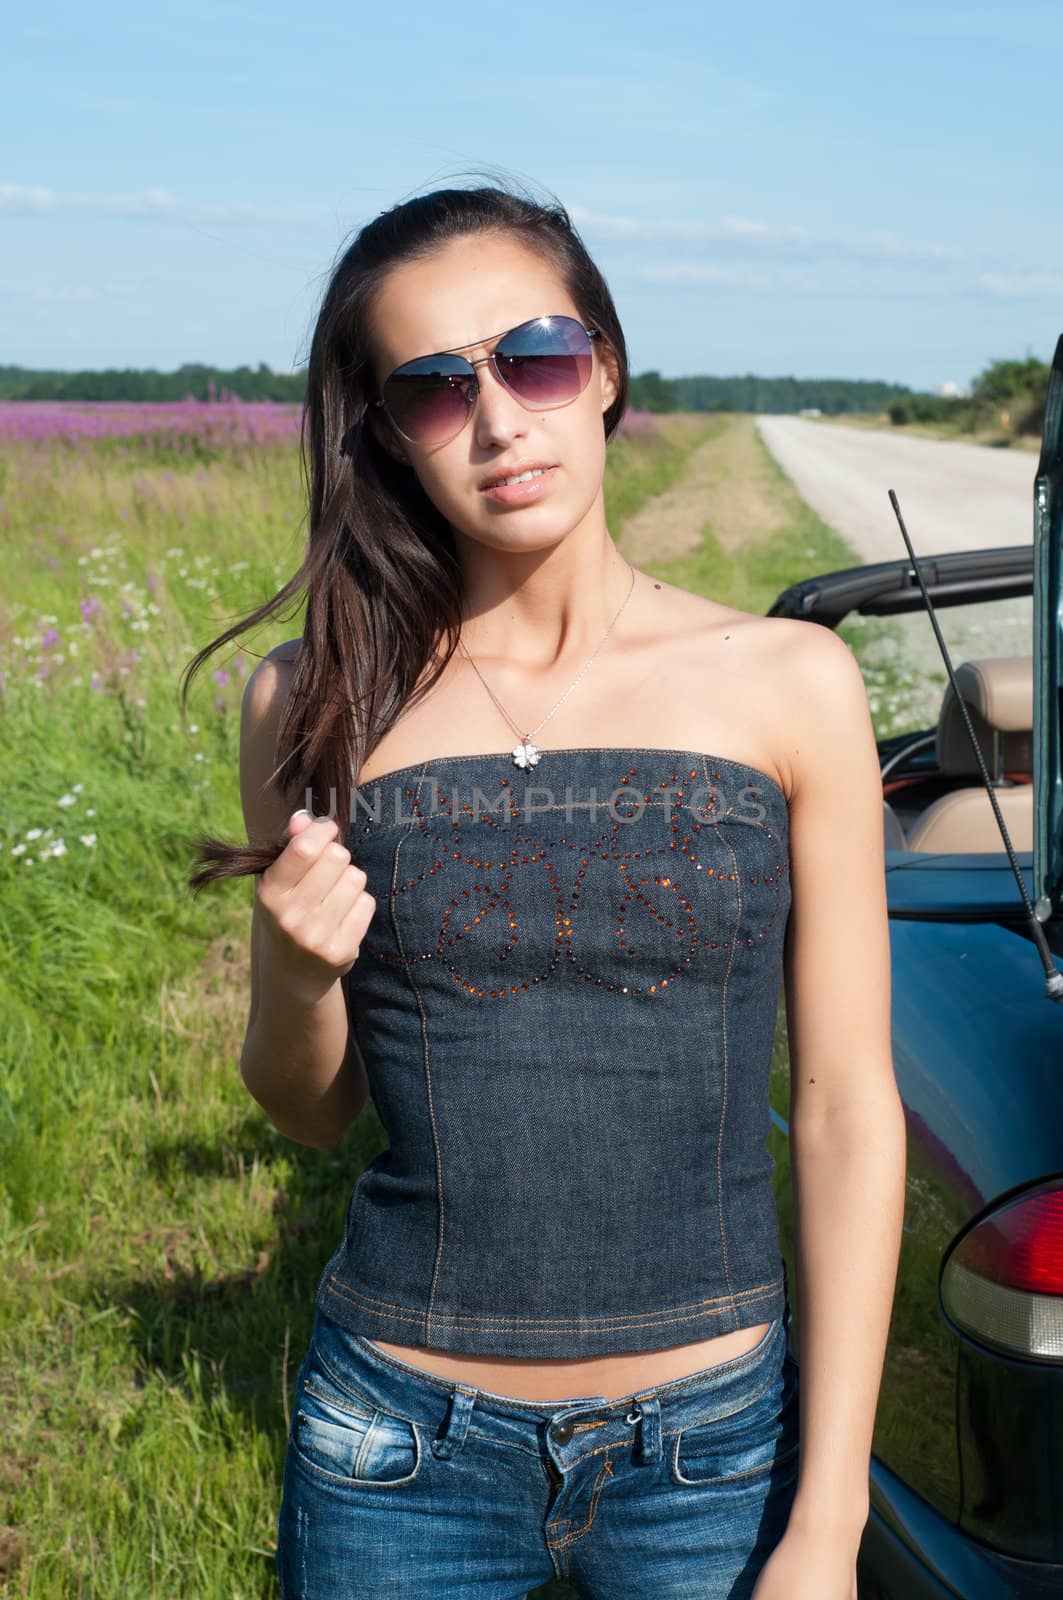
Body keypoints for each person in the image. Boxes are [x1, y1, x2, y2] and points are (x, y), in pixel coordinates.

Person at [185, 178, 905, 1600]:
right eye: (438, 388)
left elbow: (842, 1107)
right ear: (388, 434)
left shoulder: (790, 684)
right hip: (398, 1445)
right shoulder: (314, 702)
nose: (502, 417)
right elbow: (312, 1111)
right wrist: (294, 972)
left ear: (608, 369)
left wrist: (829, 1518)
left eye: (538, 356)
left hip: (715, 1454)